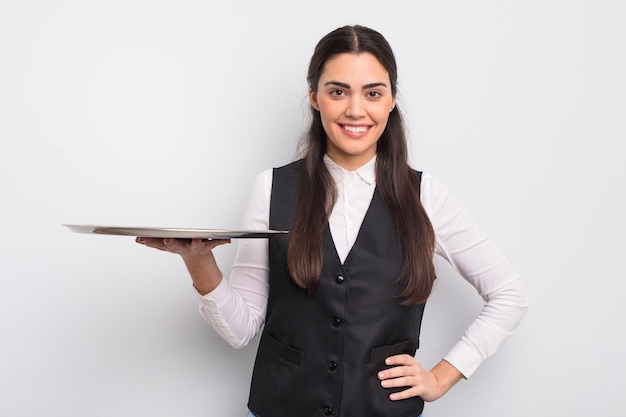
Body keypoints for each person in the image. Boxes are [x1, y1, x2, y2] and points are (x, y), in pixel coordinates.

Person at [136, 24, 528, 417]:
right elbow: (240, 331)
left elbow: (509, 295)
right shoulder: (271, 188)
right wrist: (198, 261)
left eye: (373, 93)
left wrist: (440, 378)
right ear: (314, 97)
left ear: (392, 100)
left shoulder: (427, 196)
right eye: (338, 91)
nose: (356, 110)